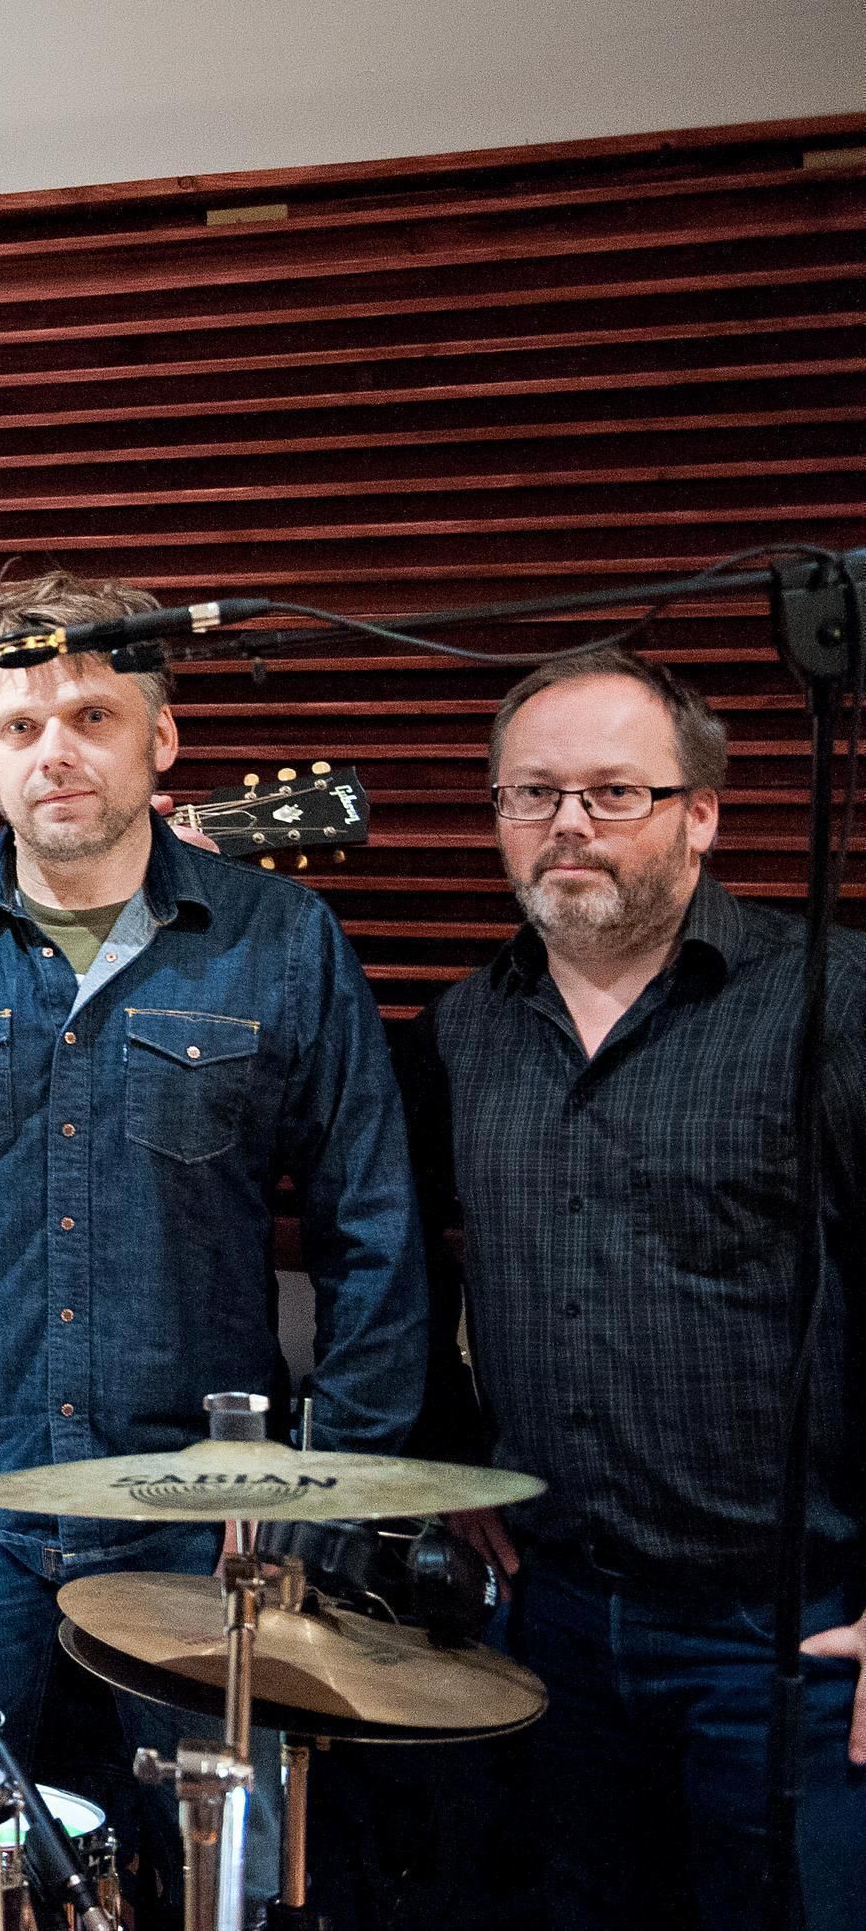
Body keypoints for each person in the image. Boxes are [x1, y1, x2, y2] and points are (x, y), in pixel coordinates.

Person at [0, 572, 424, 1845]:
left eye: (91, 717)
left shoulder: (283, 940)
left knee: (216, 1872)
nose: (54, 752)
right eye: (19, 727)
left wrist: (319, 1507)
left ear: (160, 738)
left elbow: (374, 1244)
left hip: (201, 1523)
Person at [401, 648, 864, 1929]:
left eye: (613, 792)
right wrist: (446, 1452)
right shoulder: (457, 1031)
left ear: (698, 813)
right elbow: (393, 1267)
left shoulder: (832, 1004)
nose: (567, 823)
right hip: (547, 1618)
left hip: (786, 1635)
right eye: (530, 793)